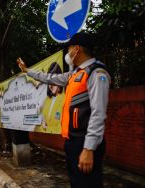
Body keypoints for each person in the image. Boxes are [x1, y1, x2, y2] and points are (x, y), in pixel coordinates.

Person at [17, 32, 111, 188]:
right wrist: (27, 70)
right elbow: (48, 78)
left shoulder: (96, 73)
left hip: (85, 143)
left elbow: (98, 114)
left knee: (88, 184)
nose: (68, 53)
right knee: (77, 183)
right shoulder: (74, 75)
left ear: (77, 49)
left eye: (69, 49)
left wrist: (88, 148)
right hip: (73, 142)